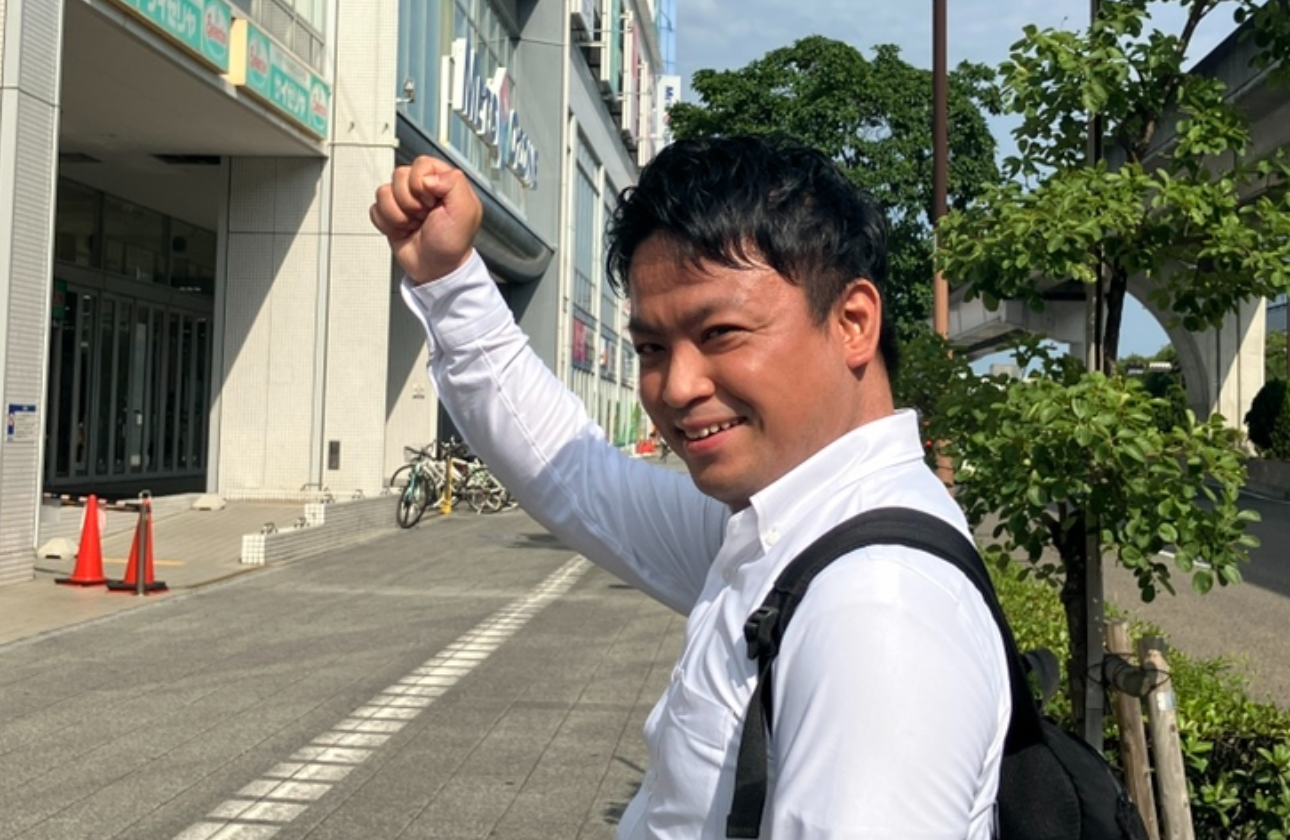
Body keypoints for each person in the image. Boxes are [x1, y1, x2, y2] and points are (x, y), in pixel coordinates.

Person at [370, 136, 1010, 839]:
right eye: (652, 347)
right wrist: (450, 279)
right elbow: (579, 479)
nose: (676, 387)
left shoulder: (873, 609)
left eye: (721, 332)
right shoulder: (791, 534)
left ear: (852, 322)